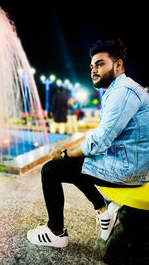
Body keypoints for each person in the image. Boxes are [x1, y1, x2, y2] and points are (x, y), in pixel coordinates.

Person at [27, 39, 149, 247]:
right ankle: (103, 210)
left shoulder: (123, 92)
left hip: (128, 170)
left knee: (51, 170)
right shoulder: (118, 90)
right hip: (129, 163)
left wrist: (64, 153)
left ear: (118, 65)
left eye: (100, 64)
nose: (93, 69)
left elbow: (99, 143)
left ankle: (55, 233)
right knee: (76, 165)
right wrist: (73, 153)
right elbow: (102, 136)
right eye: (92, 65)